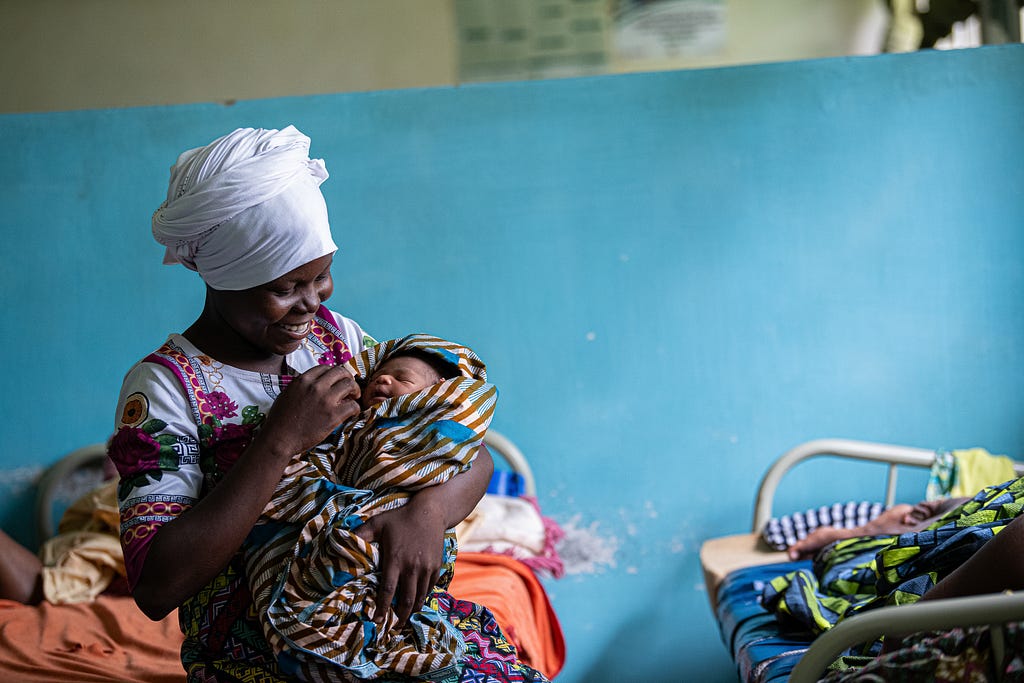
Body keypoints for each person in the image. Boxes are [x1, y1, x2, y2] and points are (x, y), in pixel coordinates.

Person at [106, 126, 544, 683]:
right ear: (223, 279)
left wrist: (427, 512)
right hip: (257, 656)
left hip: (388, 631)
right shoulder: (165, 387)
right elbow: (156, 587)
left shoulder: (338, 341)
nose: (311, 303)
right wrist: (278, 441)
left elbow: (466, 451)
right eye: (286, 287)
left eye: (324, 275)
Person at [246, 334, 500, 681]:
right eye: (380, 375)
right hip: (324, 538)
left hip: (393, 541)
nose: (383, 379)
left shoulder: (429, 434)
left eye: (402, 378)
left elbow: (473, 456)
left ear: (436, 392)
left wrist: (428, 512)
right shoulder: (345, 424)